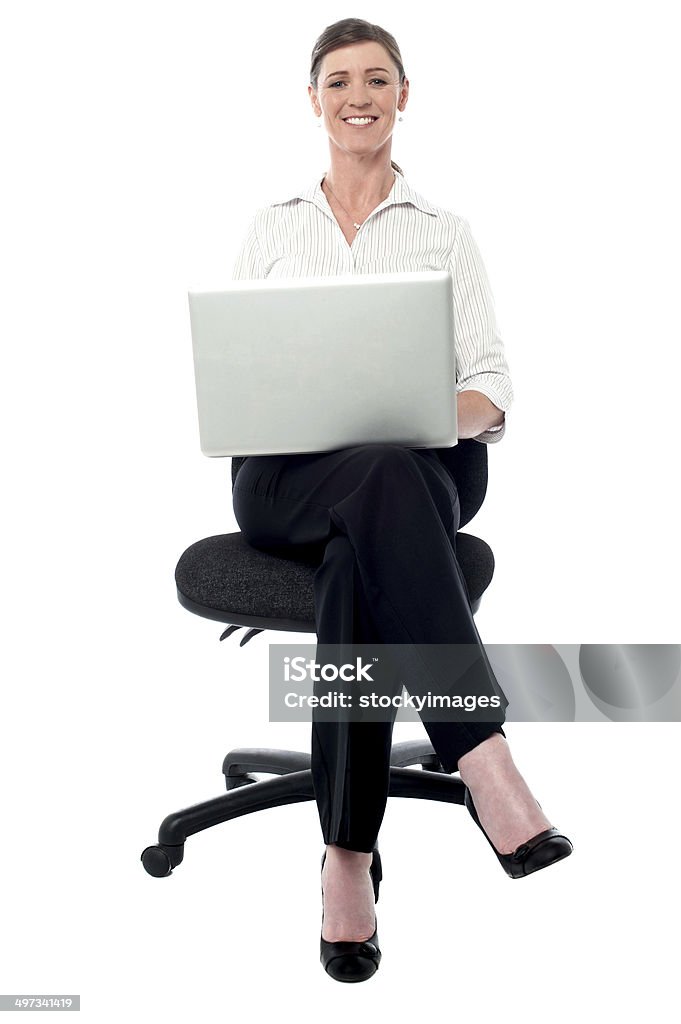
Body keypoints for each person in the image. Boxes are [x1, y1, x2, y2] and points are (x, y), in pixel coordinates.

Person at [230, 18, 573, 982]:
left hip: (423, 467)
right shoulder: (272, 228)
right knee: (365, 494)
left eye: (377, 79)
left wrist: (415, 411)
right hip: (286, 476)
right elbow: (241, 375)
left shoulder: (443, 233)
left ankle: (345, 857)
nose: (357, 95)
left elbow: (491, 387)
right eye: (337, 81)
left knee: (367, 522)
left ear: (402, 95)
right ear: (313, 101)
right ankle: (484, 759)